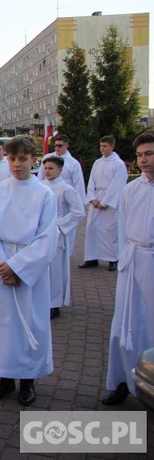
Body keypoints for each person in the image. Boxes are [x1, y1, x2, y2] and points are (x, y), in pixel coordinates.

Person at [0, 136, 57, 407]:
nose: (16, 164)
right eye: (12, 158)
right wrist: (2, 266)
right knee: (3, 324)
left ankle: (28, 380)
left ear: (34, 160)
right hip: (1, 265)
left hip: (29, 269)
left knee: (29, 323)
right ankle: (5, 378)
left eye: (22, 158)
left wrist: (18, 268)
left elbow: (46, 238)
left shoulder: (44, 194)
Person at [101, 130, 154, 406]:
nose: (143, 160)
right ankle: (122, 380)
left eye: (149, 154)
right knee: (124, 322)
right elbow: (123, 228)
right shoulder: (131, 190)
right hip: (133, 260)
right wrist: (123, 260)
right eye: (139, 155)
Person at [41, 157, 85, 319]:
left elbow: (79, 212)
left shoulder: (66, 189)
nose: (47, 171)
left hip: (57, 234)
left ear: (60, 170)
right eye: (45, 168)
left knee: (55, 270)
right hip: (40, 233)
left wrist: (59, 224)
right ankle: (42, 300)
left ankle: (54, 303)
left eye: (51, 168)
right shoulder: (40, 186)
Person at [79, 135, 128, 271]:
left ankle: (113, 259)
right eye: (100, 146)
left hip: (110, 201)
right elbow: (91, 182)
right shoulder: (97, 163)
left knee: (110, 231)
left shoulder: (118, 164)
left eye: (105, 146)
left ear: (112, 146)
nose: (102, 148)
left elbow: (117, 185)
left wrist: (105, 202)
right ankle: (92, 257)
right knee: (92, 229)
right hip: (96, 198)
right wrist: (92, 198)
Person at [37, 134, 86, 254]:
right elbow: (40, 178)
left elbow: (78, 184)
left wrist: (61, 223)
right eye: (55, 145)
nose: (57, 148)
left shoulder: (73, 163)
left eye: (60, 145)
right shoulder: (48, 158)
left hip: (64, 206)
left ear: (66, 145)